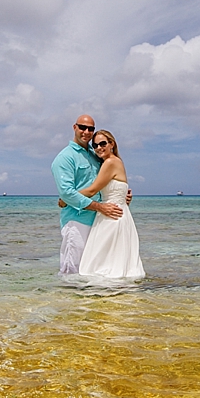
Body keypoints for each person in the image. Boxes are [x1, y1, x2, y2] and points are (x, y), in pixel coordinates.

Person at [51, 115, 123, 275]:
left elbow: (107, 180)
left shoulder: (95, 153)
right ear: (74, 127)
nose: (87, 131)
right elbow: (67, 193)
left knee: (95, 270)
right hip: (78, 220)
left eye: (91, 128)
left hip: (101, 221)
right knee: (72, 272)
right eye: (82, 127)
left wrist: (121, 194)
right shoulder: (65, 158)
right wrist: (99, 207)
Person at [76, 129, 145, 280]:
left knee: (101, 265)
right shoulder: (117, 162)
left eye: (102, 143)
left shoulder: (110, 162)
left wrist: (67, 197)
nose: (99, 148)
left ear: (111, 144)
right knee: (114, 261)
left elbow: (93, 189)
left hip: (111, 217)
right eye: (95, 145)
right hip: (120, 215)